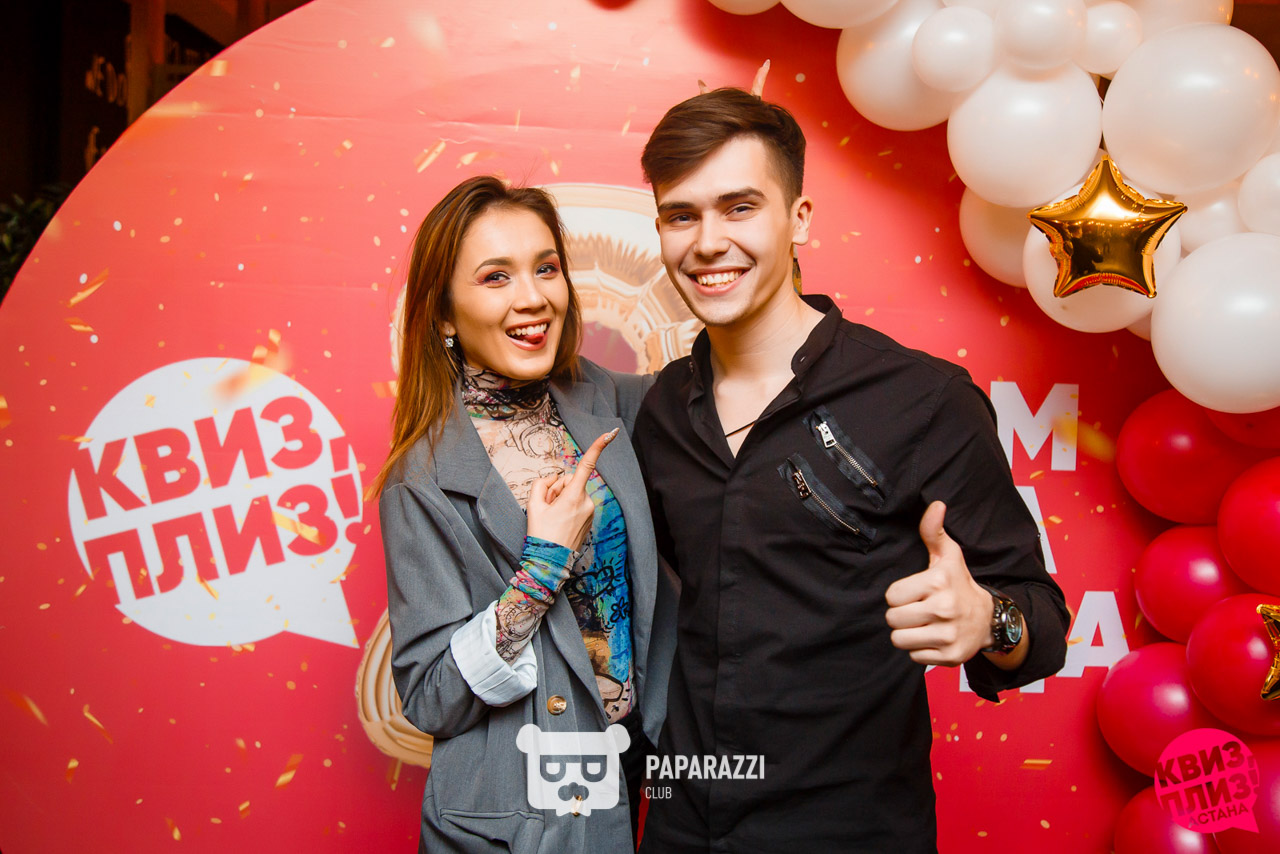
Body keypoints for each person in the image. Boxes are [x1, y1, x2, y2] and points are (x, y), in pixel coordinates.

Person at [632, 88, 1070, 851]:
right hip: (682, 821)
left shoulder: (923, 399)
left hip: (850, 828)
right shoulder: (661, 410)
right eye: (681, 215)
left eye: (740, 208)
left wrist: (987, 619)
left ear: (799, 218)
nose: (707, 242)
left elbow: (1045, 622)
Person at [375, 176, 676, 852]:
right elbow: (429, 697)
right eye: (495, 277)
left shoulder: (606, 399)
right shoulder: (420, 478)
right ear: (444, 314)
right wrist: (540, 569)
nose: (533, 297)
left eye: (546, 268)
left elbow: (728, 386)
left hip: (630, 768)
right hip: (520, 809)